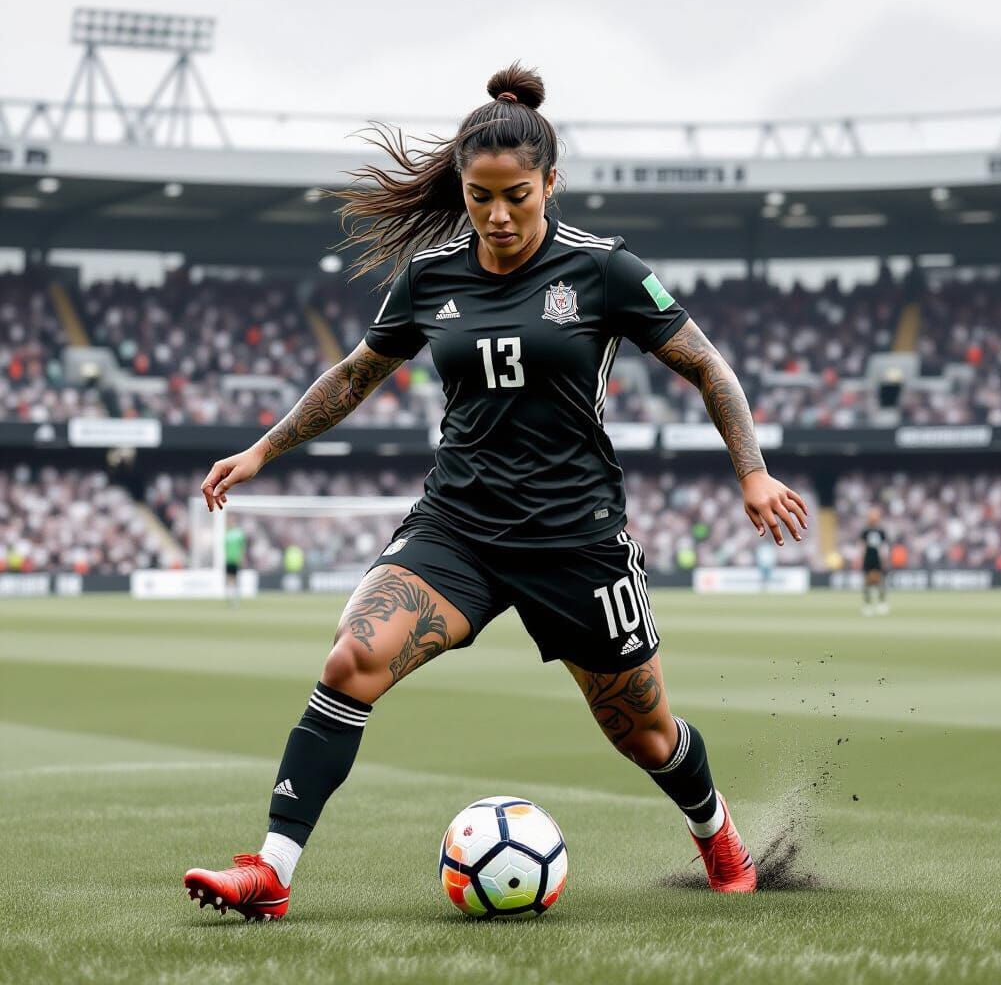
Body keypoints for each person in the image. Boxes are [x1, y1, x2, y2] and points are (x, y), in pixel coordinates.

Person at [184, 64, 808, 919]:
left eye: (517, 194)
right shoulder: (431, 277)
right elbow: (357, 373)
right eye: (480, 197)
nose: (499, 215)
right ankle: (272, 871)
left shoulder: (605, 271)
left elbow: (706, 364)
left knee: (648, 735)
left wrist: (752, 470)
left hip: (575, 538)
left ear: (552, 181)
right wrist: (263, 449)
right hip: (460, 528)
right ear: (462, 189)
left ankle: (717, 832)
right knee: (352, 659)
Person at [860, 507, 889, 616]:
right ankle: (867, 603)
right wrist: (861, 558)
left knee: (881, 581)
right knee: (867, 582)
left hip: (878, 558)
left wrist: (885, 559)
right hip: (868, 558)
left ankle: (882, 602)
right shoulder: (865, 531)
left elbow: (884, 547)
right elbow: (862, 546)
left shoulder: (881, 531)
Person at [224, 522, 247, 605]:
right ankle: (230, 597)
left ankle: (236, 599)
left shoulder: (239, 534)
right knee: (229, 579)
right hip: (229, 560)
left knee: (236, 579)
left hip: (236, 560)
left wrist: (242, 558)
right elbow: (225, 548)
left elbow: (242, 547)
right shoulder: (227, 534)